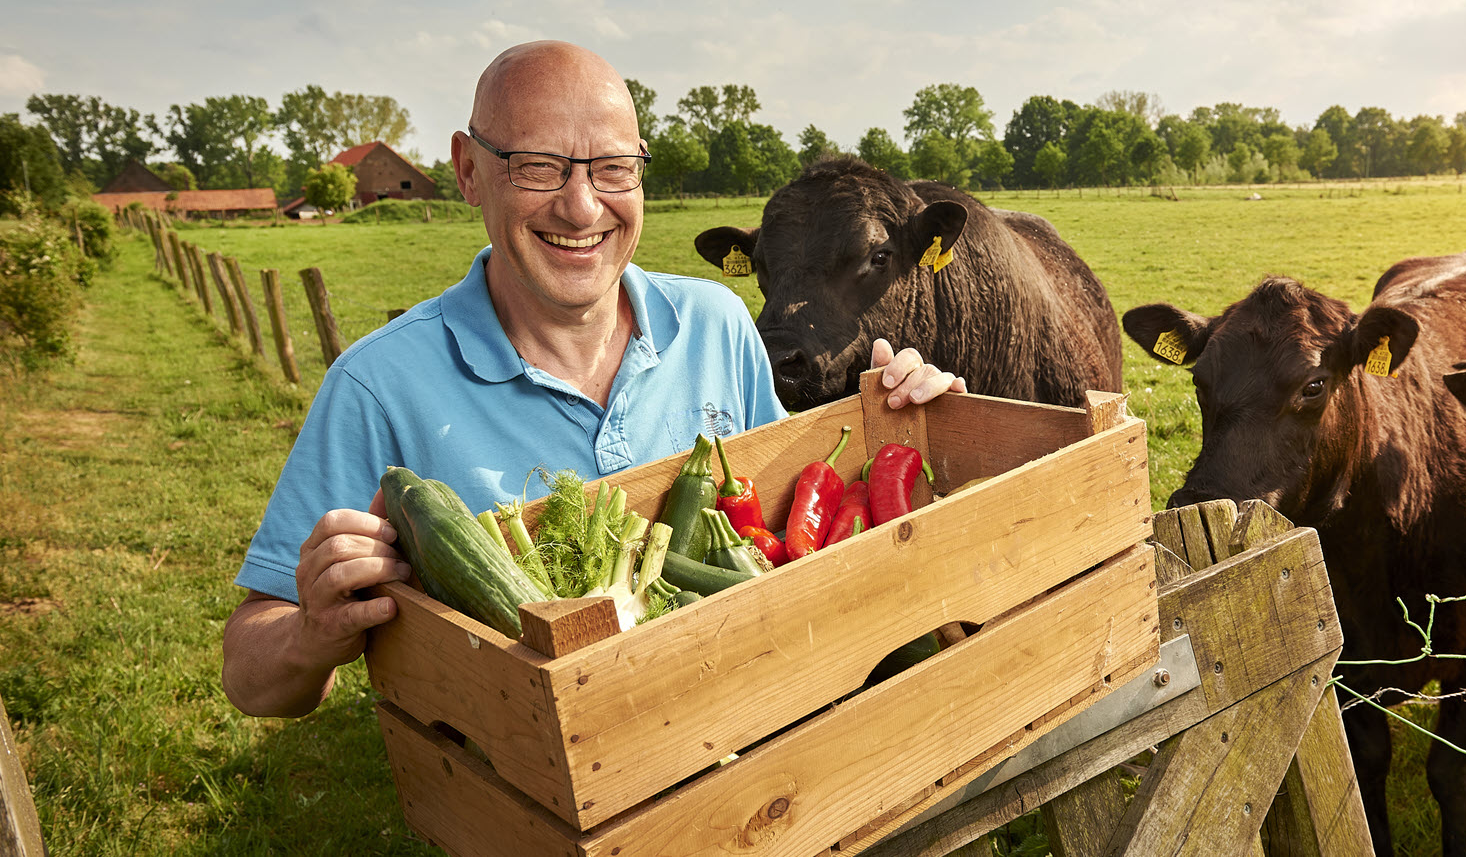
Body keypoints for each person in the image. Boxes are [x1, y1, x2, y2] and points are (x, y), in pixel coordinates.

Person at [221, 41, 965, 718]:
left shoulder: (717, 323)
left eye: (613, 169)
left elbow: (793, 505)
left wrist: (907, 418)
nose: (582, 207)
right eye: (538, 166)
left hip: (758, 727)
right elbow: (251, 680)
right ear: (468, 171)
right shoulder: (377, 386)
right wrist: (310, 633)